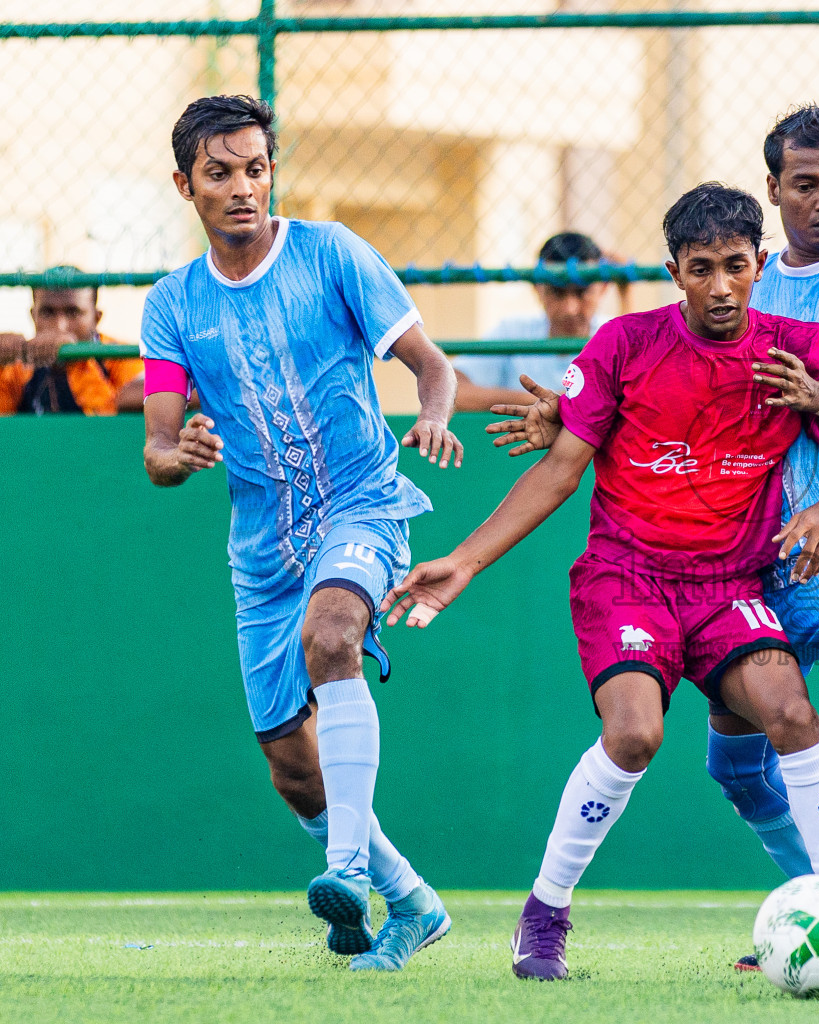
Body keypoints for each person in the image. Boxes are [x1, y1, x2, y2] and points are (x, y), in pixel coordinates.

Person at [495, 105, 819, 979]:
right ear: (773, 192)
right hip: (746, 545)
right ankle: (815, 916)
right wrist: (576, 412)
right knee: (736, 762)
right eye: (807, 184)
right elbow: (672, 379)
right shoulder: (745, 277)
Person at [379, 183, 819, 982]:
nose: (721, 286)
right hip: (628, 577)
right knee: (635, 735)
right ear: (674, 271)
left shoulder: (805, 353)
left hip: (729, 585)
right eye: (701, 268)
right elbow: (560, 471)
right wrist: (465, 561)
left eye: (737, 266)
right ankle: (545, 913)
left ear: (760, 263)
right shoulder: (622, 345)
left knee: (792, 711)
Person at [137, 95, 461, 971]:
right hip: (262, 551)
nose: (243, 187)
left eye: (255, 167)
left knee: (333, 638)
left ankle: (347, 868)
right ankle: (415, 905)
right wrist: (181, 450)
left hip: (360, 503)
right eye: (220, 173)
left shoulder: (332, 253)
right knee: (291, 765)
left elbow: (432, 366)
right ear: (185, 185)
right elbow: (158, 449)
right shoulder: (172, 305)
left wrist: (432, 417)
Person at [454, 231, 621, 412]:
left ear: (603, 287)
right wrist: (548, 402)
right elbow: (454, 391)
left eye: (582, 293)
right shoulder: (513, 332)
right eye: (557, 293)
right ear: (537, 287)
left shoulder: (614, 335)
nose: (570, 308)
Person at [0, 278, 144, 415]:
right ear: (33, 316)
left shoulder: (119, 356)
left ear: (96, 317)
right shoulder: (19, 364)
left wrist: (77, 362)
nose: (60, 326)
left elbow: (109, 430)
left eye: (73, 312)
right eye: (47, 312)